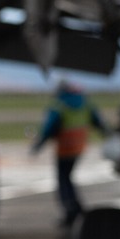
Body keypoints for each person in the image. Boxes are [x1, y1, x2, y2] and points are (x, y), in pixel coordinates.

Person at [30, 80, 109, 228]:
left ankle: (71, 211)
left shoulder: (59, 105)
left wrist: (38, 145)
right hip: (79, 147)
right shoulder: (85, 103)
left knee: (63, 179)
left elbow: (49, 128)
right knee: (68, 177)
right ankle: (77, 208)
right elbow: (98, 121)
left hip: (64, 148)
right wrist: (109, 134)